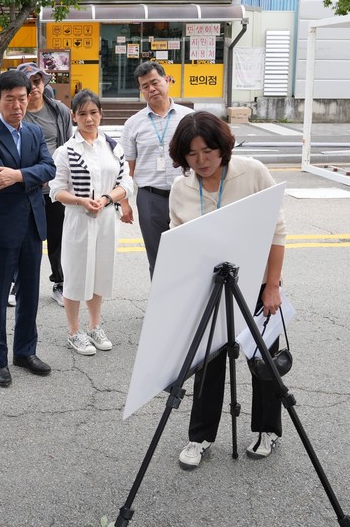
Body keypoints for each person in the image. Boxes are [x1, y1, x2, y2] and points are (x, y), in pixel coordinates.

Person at [168, 111, 286, 470]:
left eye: (208, 151)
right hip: (209, 289)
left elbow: (277, 230)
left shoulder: (252, 172)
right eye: (191, 154)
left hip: (256, 284)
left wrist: (272, 286)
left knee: (262, 361)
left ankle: (267, 429)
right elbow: (179, 242)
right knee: (207, 363)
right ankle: (200, 436)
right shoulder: (181, 188)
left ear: (223, 147)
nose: (201, 160)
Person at [0, 70, 56, 388]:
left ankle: (25, 351)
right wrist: (31, 176)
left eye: (23, 98)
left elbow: (50, 167)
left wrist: (18, 175)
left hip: (32, 225)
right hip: (0, 227)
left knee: (29, 293)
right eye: (10, 100)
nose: (18, 106)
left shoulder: (34, 132)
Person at [49, 90, 133, 356]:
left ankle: (95, 326)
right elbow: (55, 190)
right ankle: (74, 331)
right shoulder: (65, 151)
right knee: (76, 274)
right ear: (74, 116)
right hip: (78, 219)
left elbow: (126, 183)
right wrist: (81, 201)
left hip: (106, 218)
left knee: (100, 272)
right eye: (82, 113)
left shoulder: (113, 147)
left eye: (93, 112)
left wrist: (107, 198)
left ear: (101, 114)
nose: (89, 118)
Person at [121, 61, 192, 277]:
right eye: (145, 86)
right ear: (141, 91)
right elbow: (127, 168)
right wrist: (124, 202)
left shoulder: (189, 118)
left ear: (167, 80)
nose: (151, 89)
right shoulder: (133, 124)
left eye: (155, 82)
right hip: (150, 198)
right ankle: (162, 300)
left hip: (187, 194)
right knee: (158, 258)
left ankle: (189, 299)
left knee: (191, 254)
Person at [17, 61, 73, 306]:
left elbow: (69, 147)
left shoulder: (58, 111)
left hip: (55, 189)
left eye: (37, 81)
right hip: (25, 187)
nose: (33, 87)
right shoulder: (16, 113)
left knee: (58, 238)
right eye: (28, 83)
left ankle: (59, 282)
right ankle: (18, 284)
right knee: (24, 237)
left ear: (43, 83)